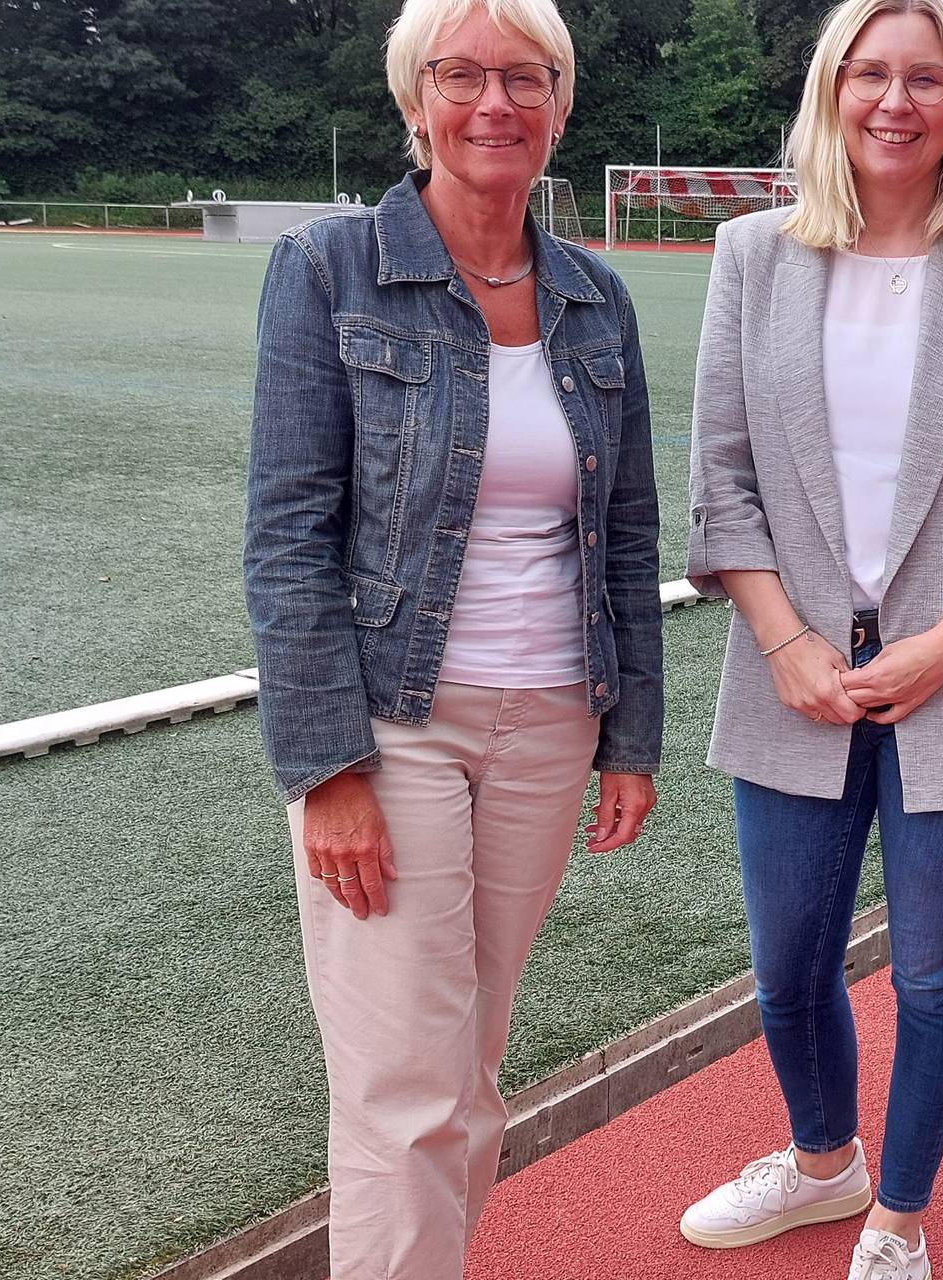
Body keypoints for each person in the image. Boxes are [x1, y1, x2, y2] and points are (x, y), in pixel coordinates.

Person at [240, 0, 662, 1271]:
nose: (494, 103)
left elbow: (627, 530)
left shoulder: (595, 298)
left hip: (549, 718)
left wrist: (627, 733)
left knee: (466, 1071)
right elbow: (287, 528)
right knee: (404, 1090)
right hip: (393, 722)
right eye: (462, 75)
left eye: (524, 77)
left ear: (561, 102)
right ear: (414, 98)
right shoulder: (328, 268)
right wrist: (327, 768)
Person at [674, 1, 943, 1276]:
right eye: (871, 75)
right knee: (788, 967)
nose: (896, 103)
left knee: (937, 980)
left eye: (926, 79)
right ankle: (821, 1161)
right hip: (791, 676)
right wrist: (787, 639)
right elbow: (720, 480)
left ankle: (898, 1215)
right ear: (831, 92)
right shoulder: (753, 255)